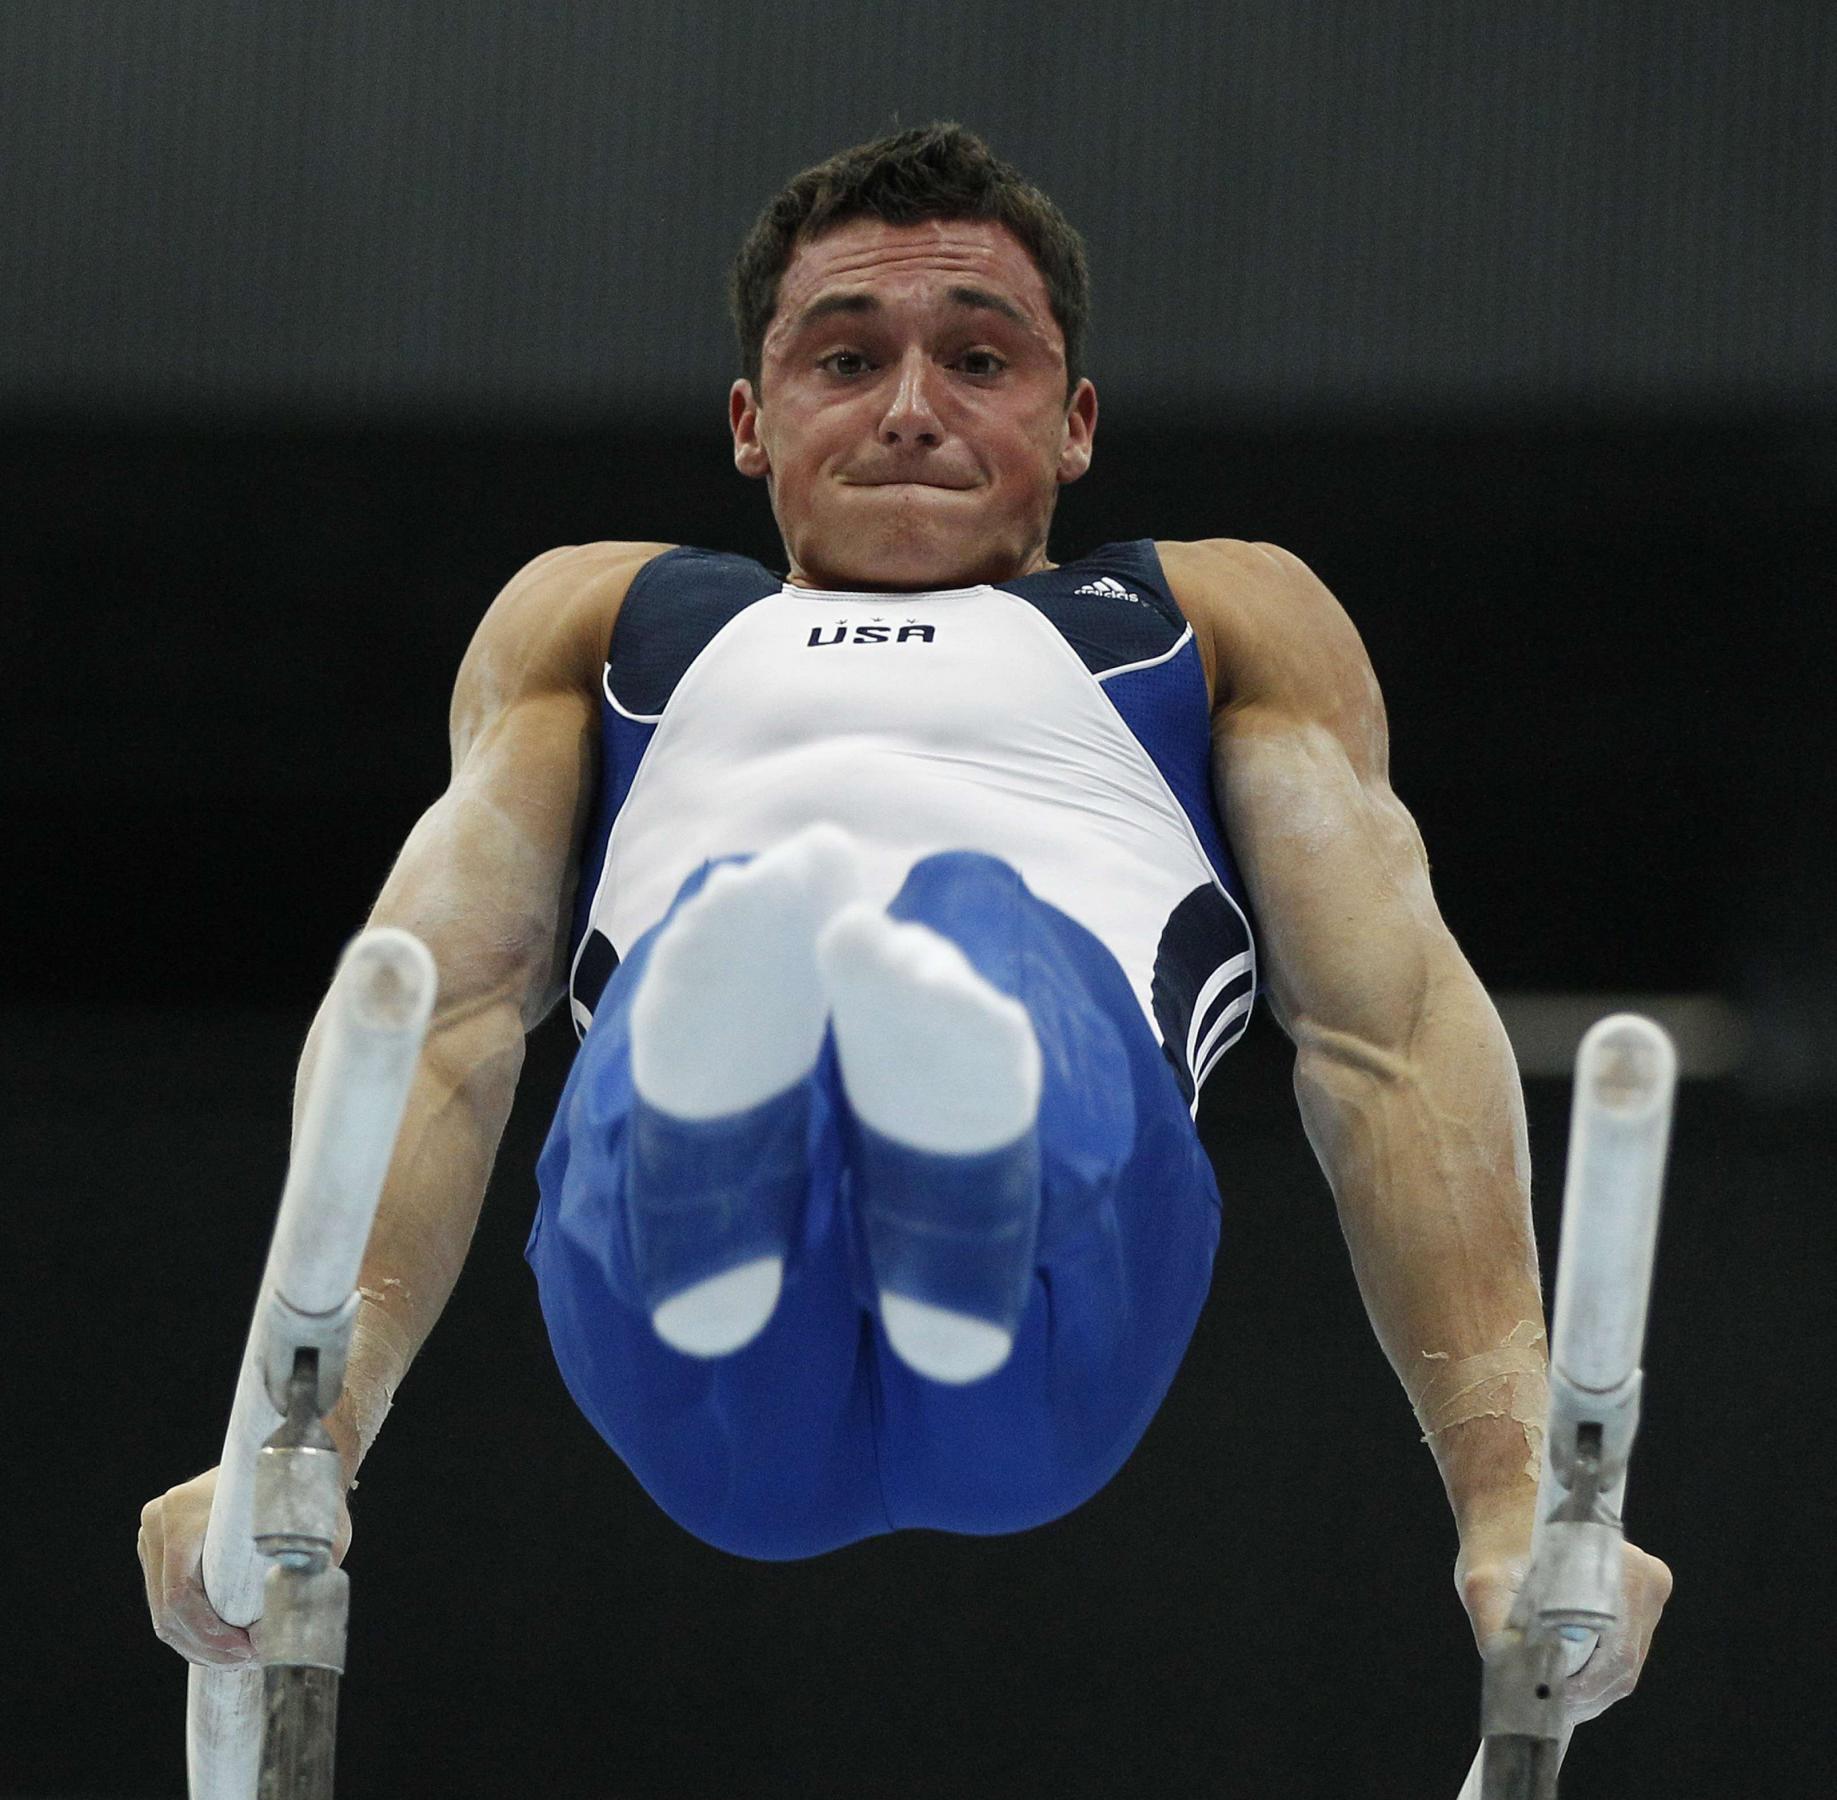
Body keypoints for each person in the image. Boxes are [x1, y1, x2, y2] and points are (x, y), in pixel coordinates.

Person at [140, 124, 1669, 1719]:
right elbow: (436, 1012)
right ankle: (746, 1128)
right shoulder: (604, 618)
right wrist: (289, 1443)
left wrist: (1515, 1494)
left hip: (1068, 1260)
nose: (913, 407)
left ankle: (919, 1109)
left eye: (980, 359)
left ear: (1074, 423)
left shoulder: (1204, 622)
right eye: (848, 357)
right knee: (753, 938)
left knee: (959, 920)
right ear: (752, 418)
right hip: (689, 1358)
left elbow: (1391, 1039)